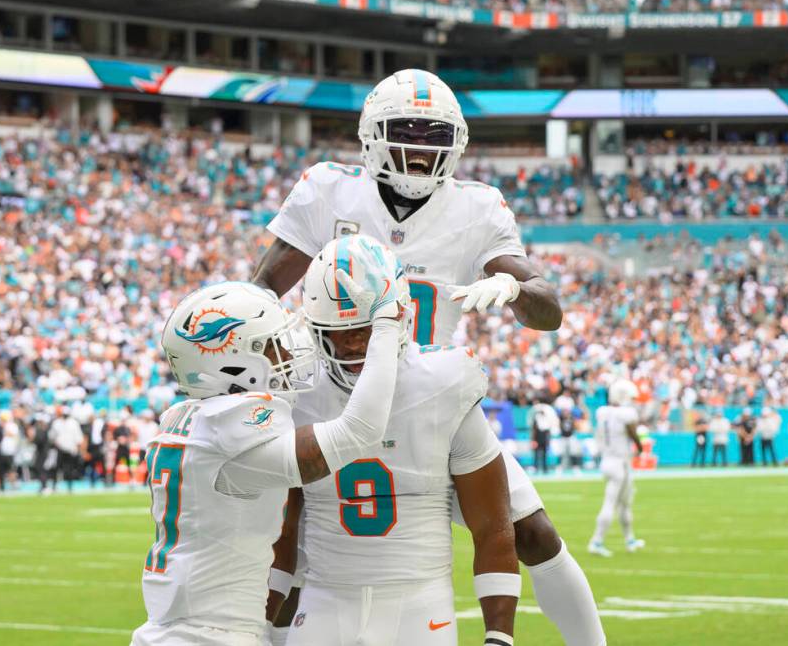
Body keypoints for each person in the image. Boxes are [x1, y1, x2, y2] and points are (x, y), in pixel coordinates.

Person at [253, 68, 603, 646]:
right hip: (335, 392)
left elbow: (549, 308)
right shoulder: (328, 189)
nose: (419, 151)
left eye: (434, 137)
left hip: (427, 399)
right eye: (406, 133)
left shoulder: (478, 207)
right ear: (372, 135)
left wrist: (516, 289)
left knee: (533, 533)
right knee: (295, 542)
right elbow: (266, 287)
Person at [132, 240, 405, 646]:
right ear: (233, 362)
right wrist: (384, 325)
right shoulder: (231, 430)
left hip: (181, 632)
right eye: (273, 347)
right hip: (209, 636)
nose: (287, 356)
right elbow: (359, 430)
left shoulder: (188, 419)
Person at [268, 237, 519, 645]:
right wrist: (261, 625)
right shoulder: (300, 392)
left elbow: (492, 526)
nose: (351, 342)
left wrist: (499, 637)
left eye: (364, 327)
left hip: (420, 603)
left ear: (396, 319)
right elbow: (281, 530)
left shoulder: (443, 384)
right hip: (325, 599)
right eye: (338, 330)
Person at [588, 379, 645, 558]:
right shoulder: (625, 414)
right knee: (612, 503)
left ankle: (630, 539)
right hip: (620, 462)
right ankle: (596, 541)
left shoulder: (603, 413)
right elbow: (633, 432)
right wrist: (640, 446)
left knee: (625, 502)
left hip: (608, 460)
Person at [50, 406, 86, 493]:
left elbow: (78, 437)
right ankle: (54, 486)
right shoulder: (57, 423)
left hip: (71, 449)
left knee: (70, 469)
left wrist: (80, 449)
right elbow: (52, 436)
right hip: (59, 449)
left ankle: (69, 487)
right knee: (57, 468)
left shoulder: (73, 423)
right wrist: (56, 443)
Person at [531, 399, 558, 474]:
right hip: (538, 436)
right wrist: (533, 440)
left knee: (545, 454)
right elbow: (534, 429)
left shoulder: (547, 419)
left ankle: (545, 468)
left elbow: (548, 431)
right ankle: (536, 467)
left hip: (544, 436)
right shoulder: (537, 418)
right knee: (536, 454)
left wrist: (548, 440)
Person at [0, 410, 21, 491]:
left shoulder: (12, 425)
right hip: (1, 451)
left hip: (10, 451)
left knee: (11, 470)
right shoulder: (0, 427)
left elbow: (13, 434)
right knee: (0, 471)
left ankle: (13, 486)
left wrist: (4, 428)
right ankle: (1, 487)